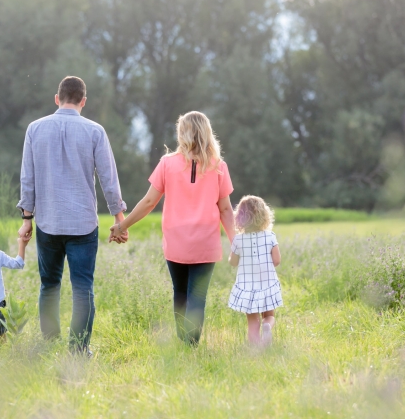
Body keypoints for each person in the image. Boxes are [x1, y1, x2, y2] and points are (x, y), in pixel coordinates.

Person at [17, 76, 127, 354]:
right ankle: (78, 349)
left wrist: (26, 217)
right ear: (83, 101)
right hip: (83, 225)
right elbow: (108, 179)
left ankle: (50, 342)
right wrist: (119, 219)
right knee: (82, 288)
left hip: (48, 222)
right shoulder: (95, 131)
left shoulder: (34, 129)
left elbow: (27, 177)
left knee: (49, 284)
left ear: (57, 98)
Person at [110, 111, 235, 346]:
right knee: (197, 295)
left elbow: (149, 202)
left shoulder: (167, 164)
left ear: (182, 134)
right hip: (206, 242)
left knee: (179, 292)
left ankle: (183, 341)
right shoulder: (218, 166)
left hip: (176, 241)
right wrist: (236, 242)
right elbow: (226, 210)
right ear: (207, 133)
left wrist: (122, 226)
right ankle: (192, 343)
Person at [227, 195, 283, 346]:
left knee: (252, 321)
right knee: (269, 315)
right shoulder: (270, 236)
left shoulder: (238, 240)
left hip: (247, 287)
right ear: (264, 215)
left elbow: (233, 262)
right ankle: (267, 326)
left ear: (240, 217)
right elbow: (277, 261)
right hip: (267, 284)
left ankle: (254, 349)